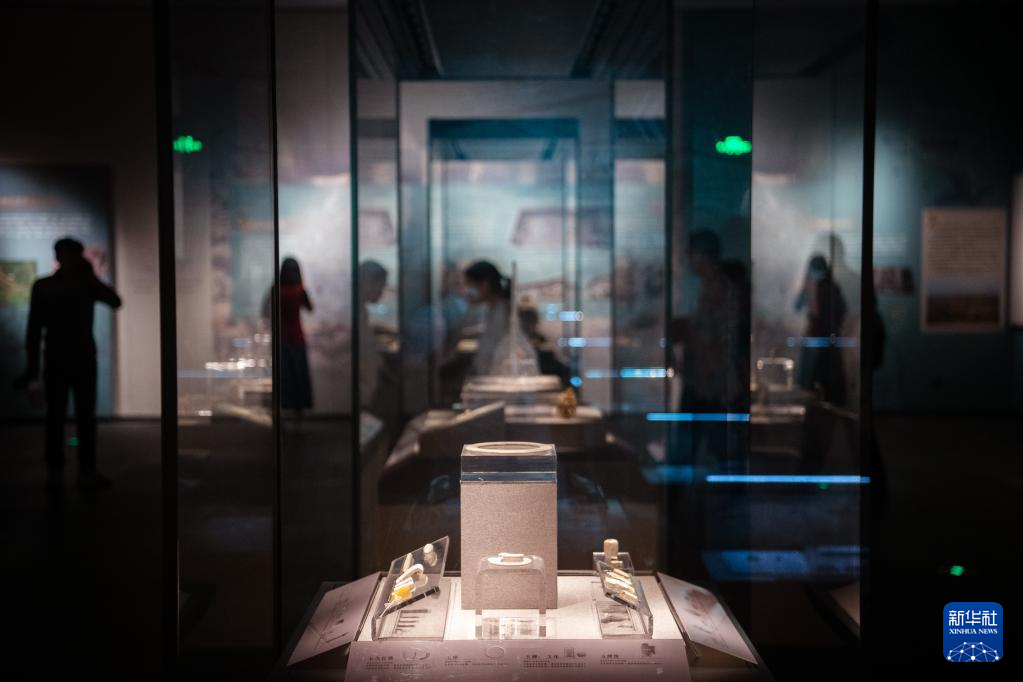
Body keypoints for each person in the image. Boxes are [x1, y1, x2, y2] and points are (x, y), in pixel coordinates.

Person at [14, 237, 121, 496]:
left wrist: (32, 368)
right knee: (78, 418)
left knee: (60, 418)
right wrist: (91, 278)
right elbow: (115, 301)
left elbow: (33, 330)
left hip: (61, 358)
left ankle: (61, 474)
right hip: (78, 358)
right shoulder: (81, 284)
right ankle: (80, 472)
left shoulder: (46, 286)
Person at [794, 253, 847, 405]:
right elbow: (798, 306)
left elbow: (834, 312)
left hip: (821, 338)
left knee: (817, 381)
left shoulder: (828, 288)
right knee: (816, 382)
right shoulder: (826, 287)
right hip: (822, 338)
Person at [265, 257, 314, 414]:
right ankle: (298, 412)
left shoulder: (276, 289)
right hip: (297, 338)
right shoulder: (299, 290)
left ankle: (284, 413)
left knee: (285, 378)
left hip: (281, 339)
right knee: (299, 377)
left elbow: (265, 311)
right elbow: (310, 308)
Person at [463, 260, 513, 376]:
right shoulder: (491, 309)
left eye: (469, 284)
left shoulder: (505, 310)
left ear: (484, 284)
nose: (467, 291)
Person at [358, 260, 388, 409]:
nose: (381, 293)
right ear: (368, 282)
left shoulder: (361, 310)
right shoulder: (356, 311)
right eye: (380, 287)